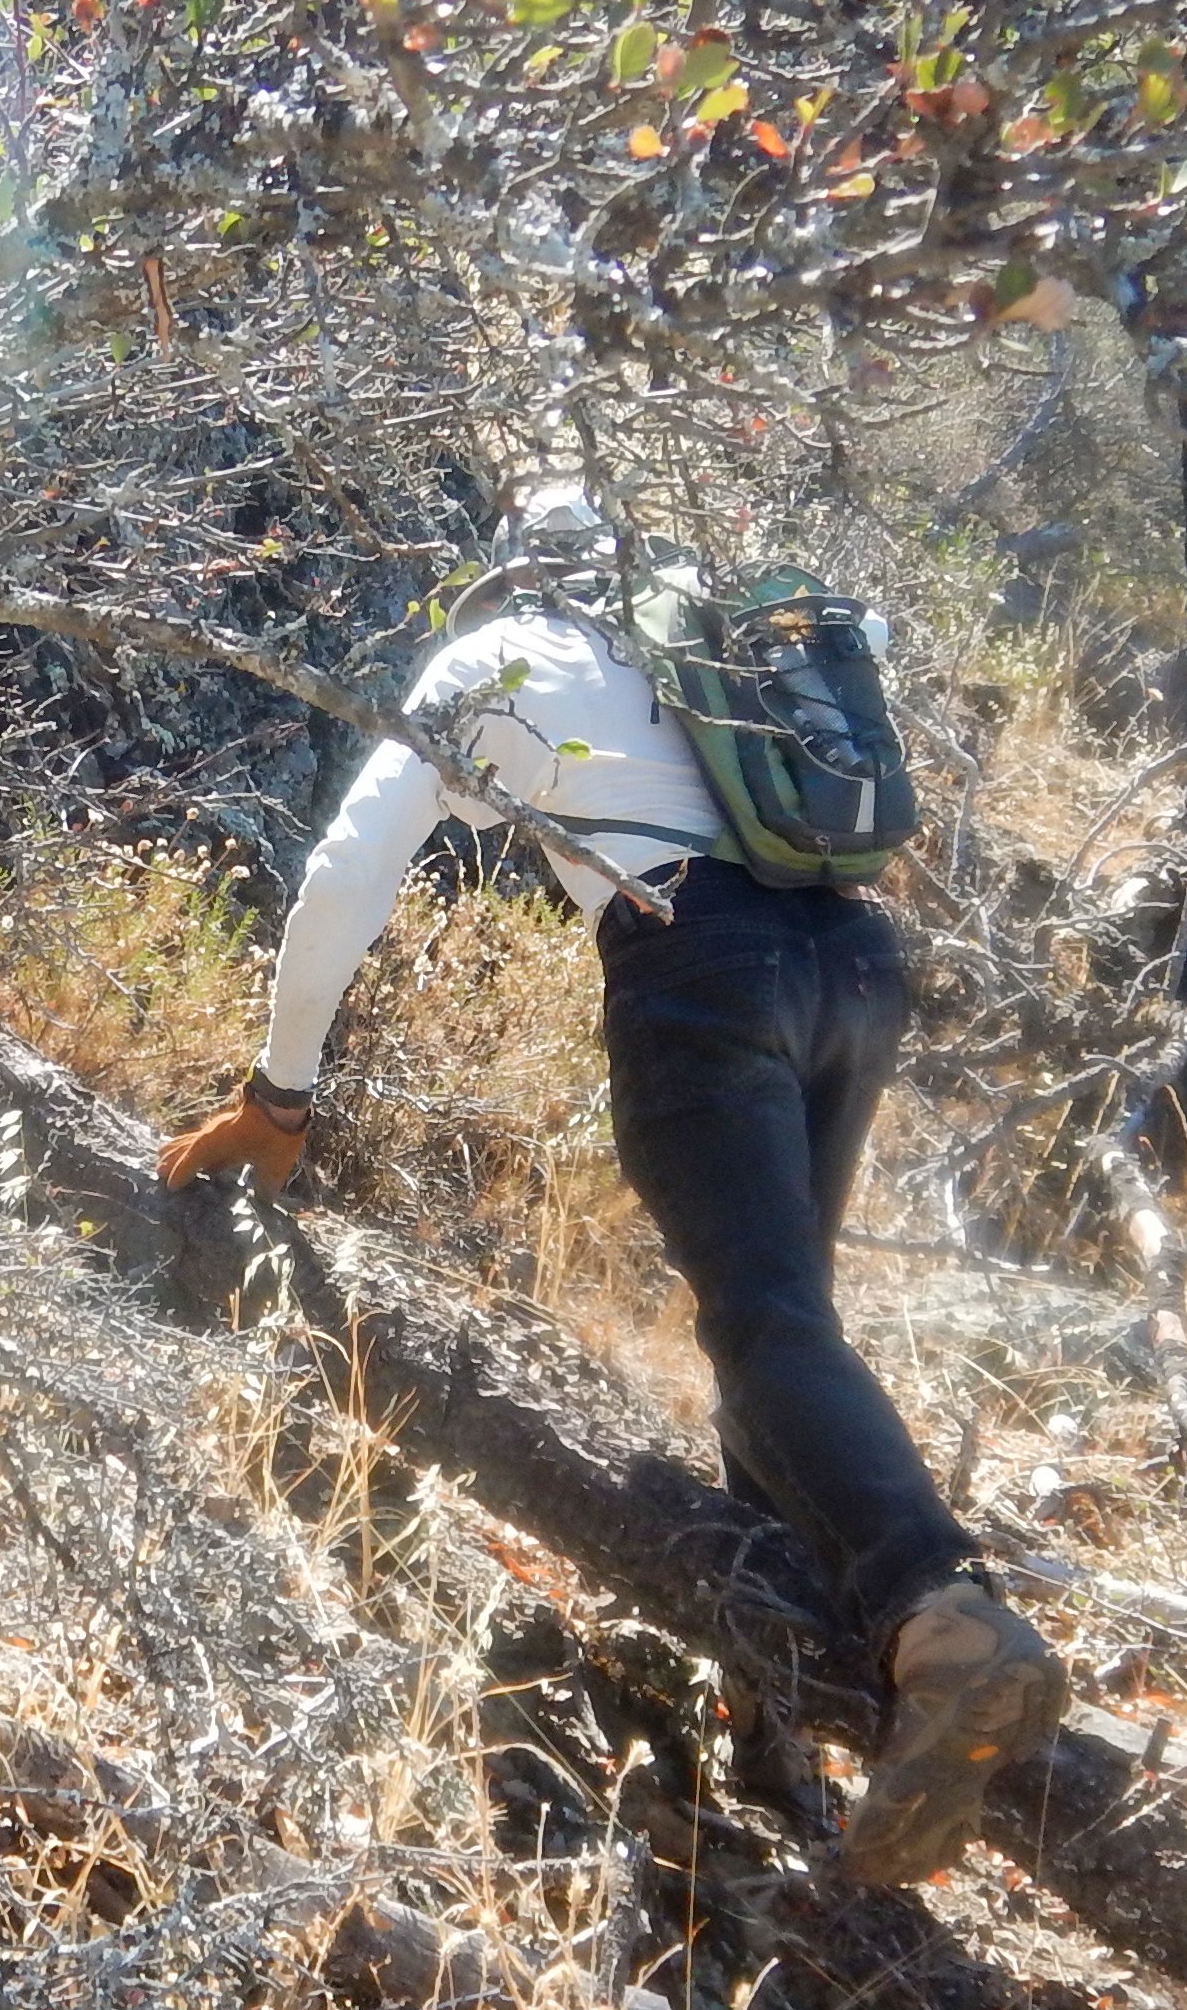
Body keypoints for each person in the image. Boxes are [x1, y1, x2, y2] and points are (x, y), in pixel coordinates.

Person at [155, 490, 1065, 1885]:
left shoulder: (496, 659)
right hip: (854, 963)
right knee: (782, 1325)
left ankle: (943, 1613)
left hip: (702, 966)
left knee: (764, 1323)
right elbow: (874, 664)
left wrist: (279, 1097)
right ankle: (775, 1717)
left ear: (514, 572)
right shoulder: (723, 637)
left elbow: (347, 870)